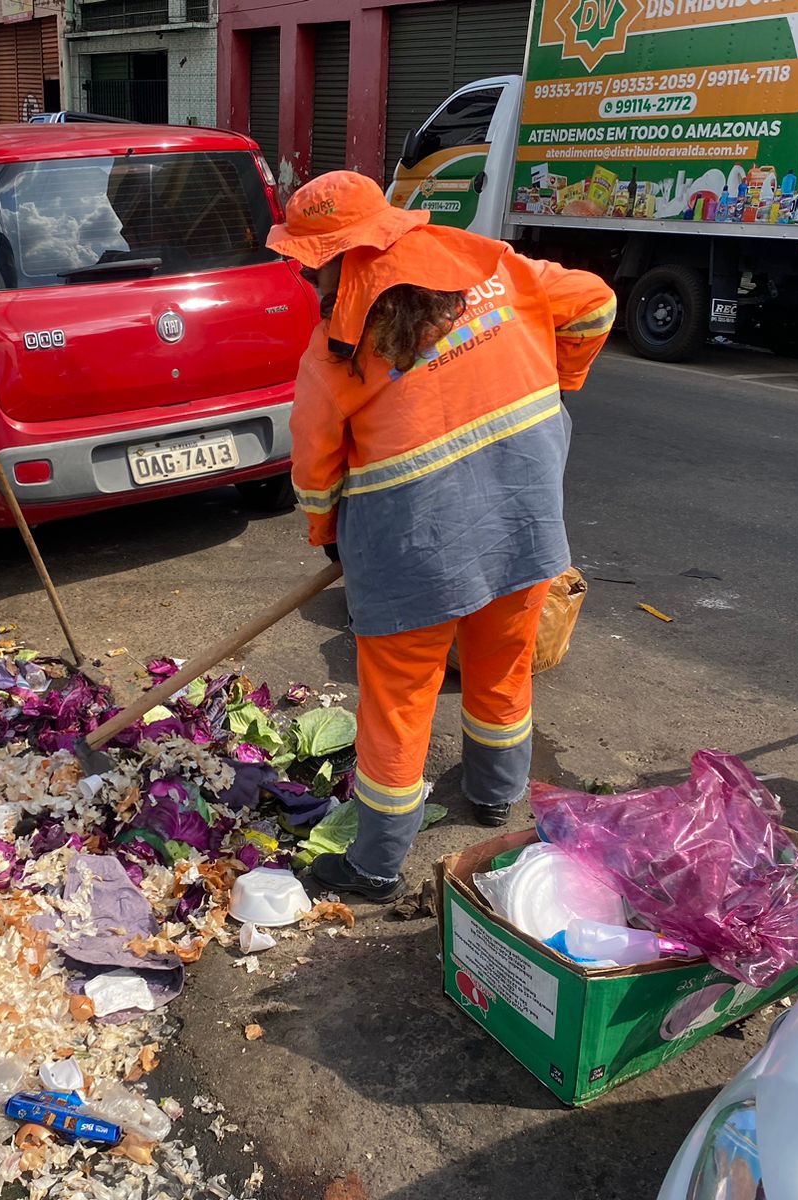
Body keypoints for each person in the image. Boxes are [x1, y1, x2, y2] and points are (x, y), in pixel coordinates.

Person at [268, 171, 616, 901]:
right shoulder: (503, 270)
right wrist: (560, 380)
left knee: (398, 708)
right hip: (522, 525)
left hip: (410, 550)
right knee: (502, 667)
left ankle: (374, 867)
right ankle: (495, 796)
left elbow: (314, 465)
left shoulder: (338, 350)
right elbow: (594, 302)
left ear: (332, 259)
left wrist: (329, 535)